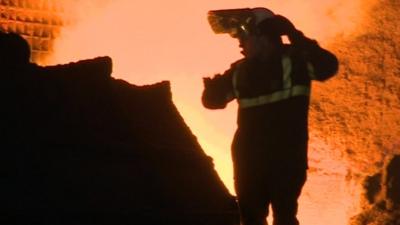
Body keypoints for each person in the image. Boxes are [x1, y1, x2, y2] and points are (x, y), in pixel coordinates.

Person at [202, 7, 338, 225]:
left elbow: (327, 66)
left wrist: (295, 36)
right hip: (255, 162)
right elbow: (211, 102)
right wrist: (212, 87)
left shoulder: (296, 62)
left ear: (263, 35)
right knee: (255, 219)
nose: (240, 44)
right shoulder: (241, 71)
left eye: (243, 37)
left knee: (282, 218)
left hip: (280, 160)